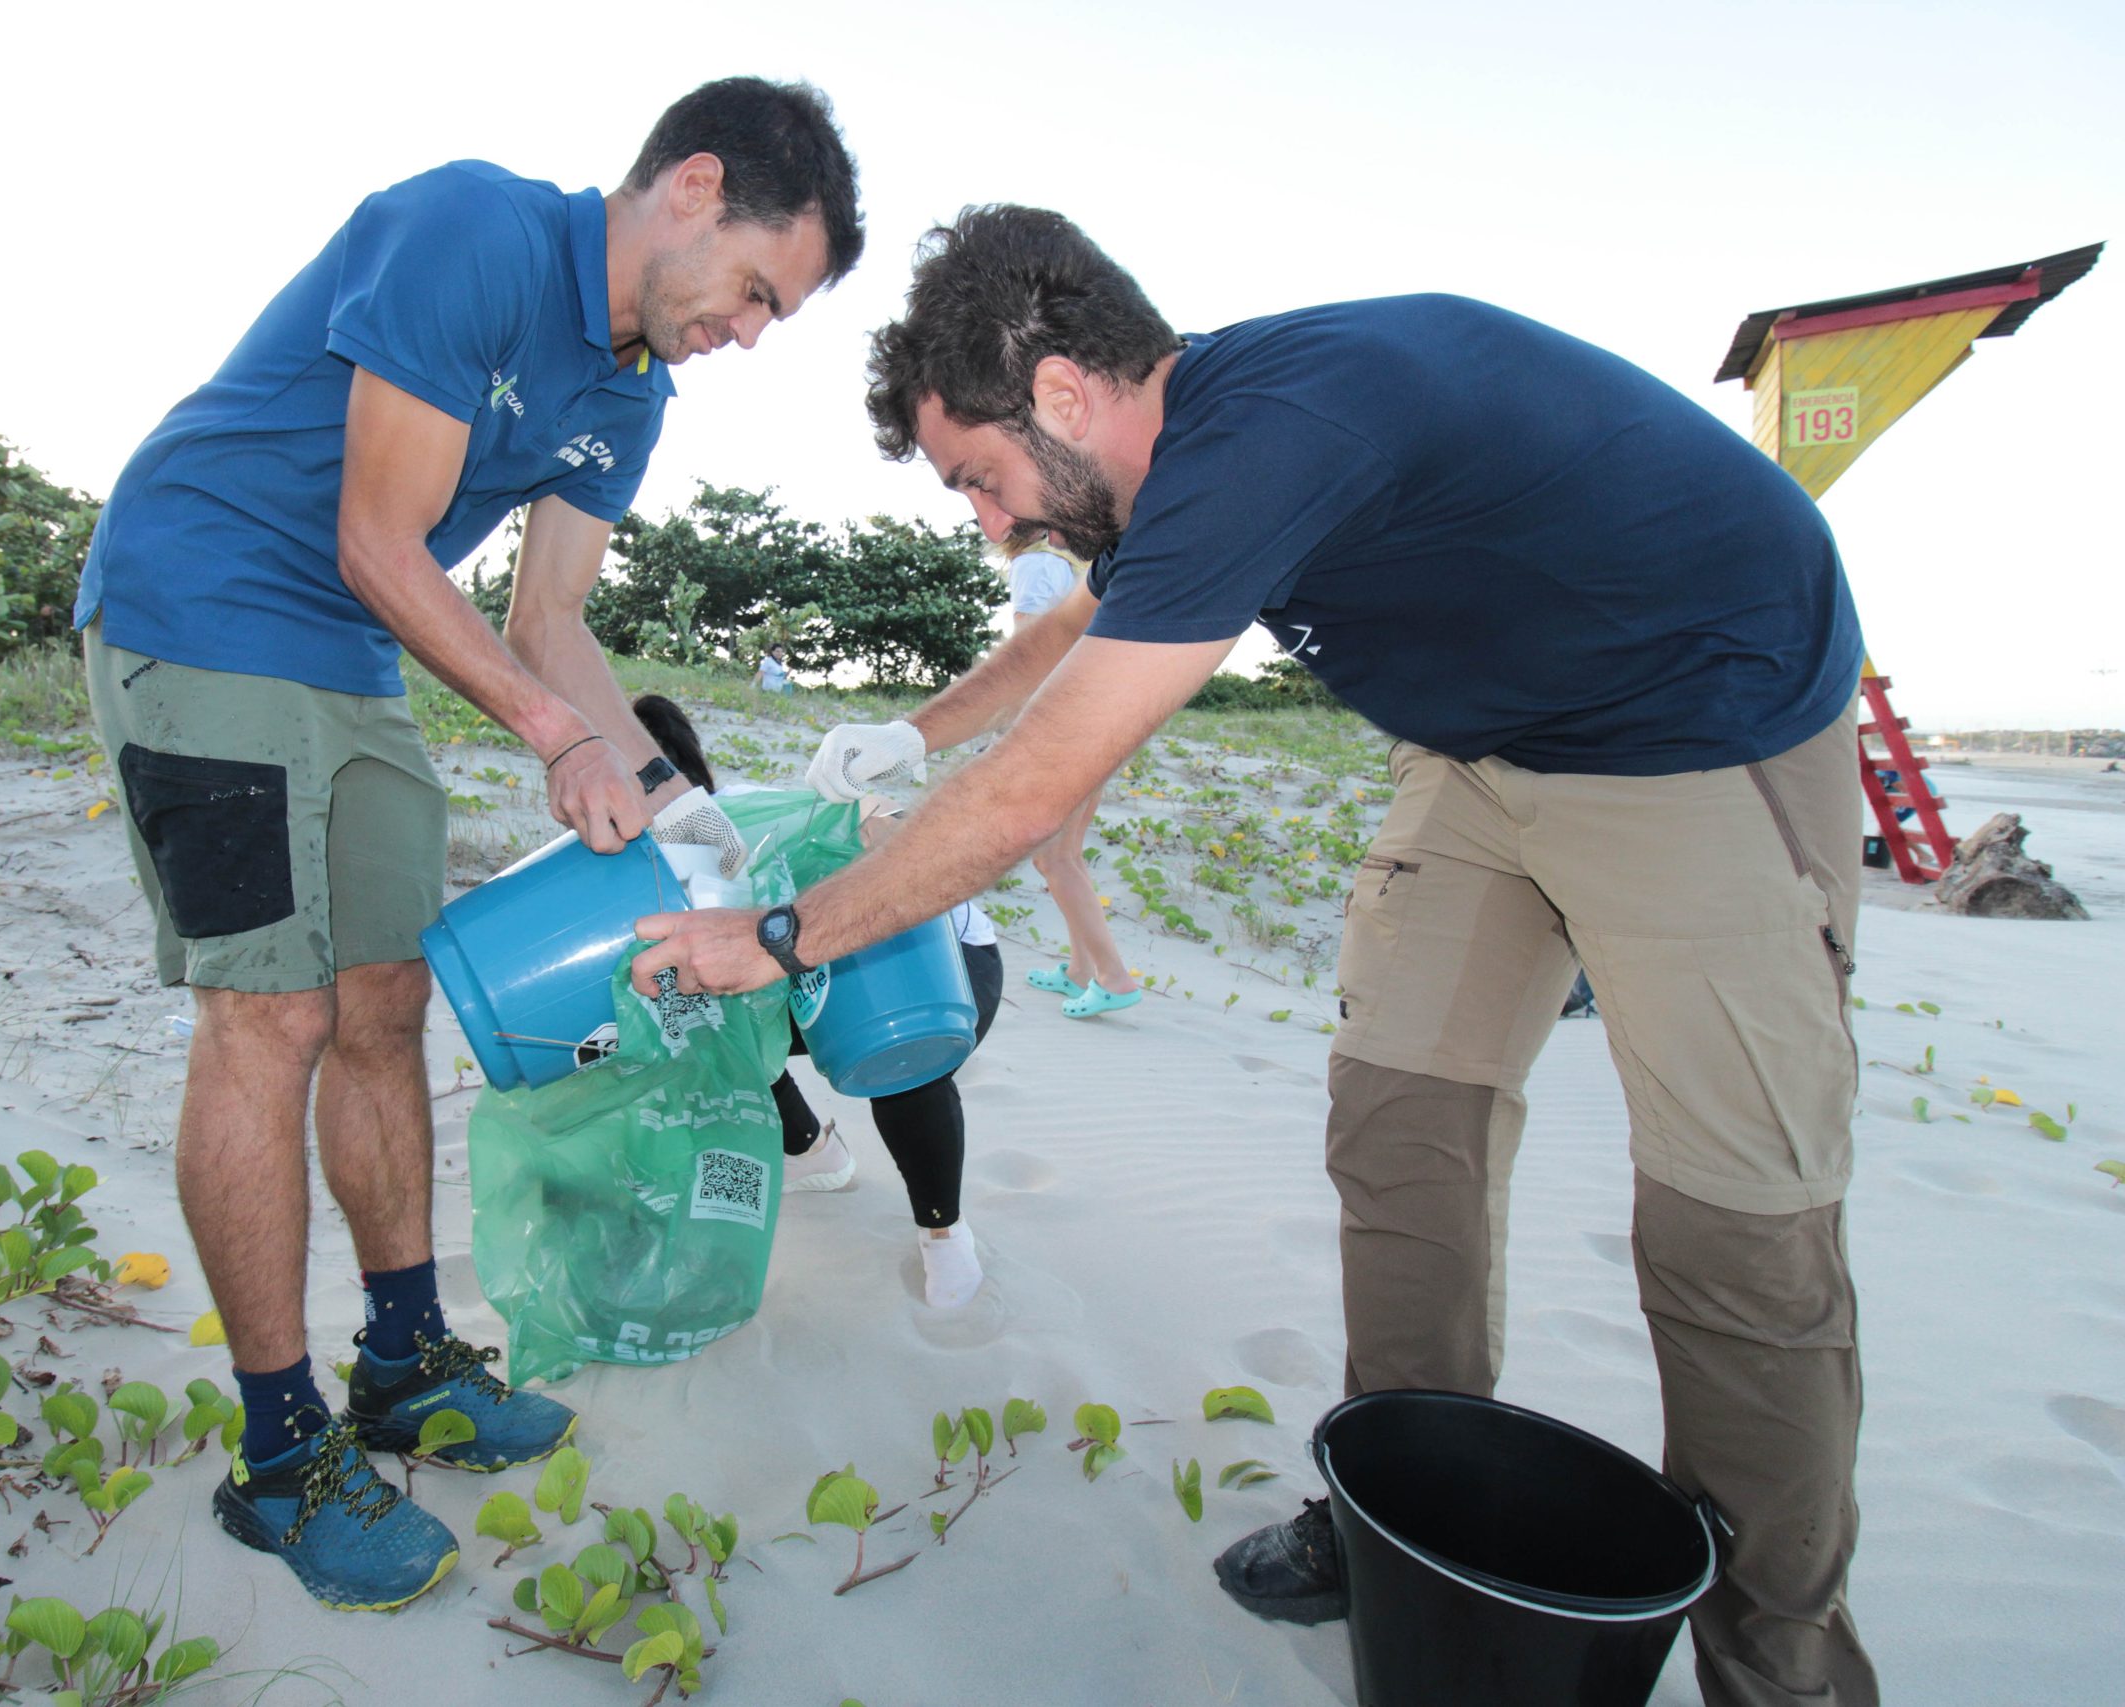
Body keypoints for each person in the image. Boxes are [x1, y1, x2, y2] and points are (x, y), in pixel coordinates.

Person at [633, 206, 1876, 1706]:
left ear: (1067, 397)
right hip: (1486, 750)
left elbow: (1041, 788)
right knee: (1402, 1126)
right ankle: (1397, 1520)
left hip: (1703, 719)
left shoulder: (1283, 427)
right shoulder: (1173, 459)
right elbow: (1061, 645)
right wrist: (914, 728)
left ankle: (1779, 1660)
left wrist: (783, 934)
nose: (992, 524)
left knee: (1737, 1232)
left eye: (982, 477)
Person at [71, 79, 861, 1612]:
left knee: (382, 1002)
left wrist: (681, 808)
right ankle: (281, 1451)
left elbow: (546, 622)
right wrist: (554, 739)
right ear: (693, 186)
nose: (753, 331)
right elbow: (379, 534)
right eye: (761, 289)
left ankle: (401, 1357)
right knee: (271, 1014)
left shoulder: (629, 394)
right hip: (208, 597)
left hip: (357, 656)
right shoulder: (473, 231)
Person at [632, 693, 1000, 1307]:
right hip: (804, 974)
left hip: (935, 962)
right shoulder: (632, 873)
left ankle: (945, 1232)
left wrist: (874, 818)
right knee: (701, 1016)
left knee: (896, 1050)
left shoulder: (742, 817)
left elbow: (889, 824)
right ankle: (810, 1152)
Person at [1005, 542, 1140, 1018]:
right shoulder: (1075, 564)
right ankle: (1083, 970)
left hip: (1069, 723)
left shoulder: (1033, 563)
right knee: (1065, 856)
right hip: (1103, 715)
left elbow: (1031, 654)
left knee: (1053, 858)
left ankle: (1112, 977)